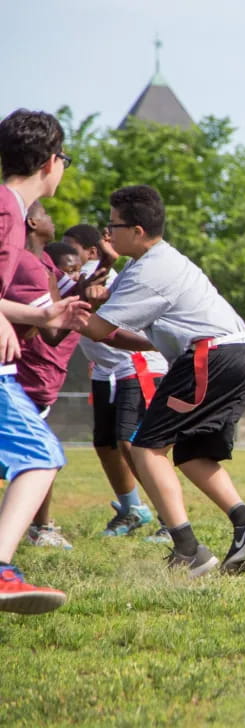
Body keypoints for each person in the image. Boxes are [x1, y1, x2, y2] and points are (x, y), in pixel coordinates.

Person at [83, 185, 245, 578]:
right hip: (238, 355)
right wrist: (99, 293)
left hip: (209, 357)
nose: (107, 232)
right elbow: (128, 336)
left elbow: (98, 328)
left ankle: (188, 549)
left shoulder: (148, 271)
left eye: (113, 225)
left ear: (137, 230)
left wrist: (54, 312)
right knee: (192, 453)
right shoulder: (152, 262)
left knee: (145, 447)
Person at [0, 108, 90, 614]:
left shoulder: (11, 211)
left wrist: (42, 314)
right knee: (38, 452)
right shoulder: (6, 209)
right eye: (65, 160)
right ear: (51, 161)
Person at [63, 224, 168, 540]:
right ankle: (132, 509)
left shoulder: (100, 277)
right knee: (105, 444)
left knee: (129, 442)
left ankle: (169, 519)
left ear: (92, 252)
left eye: (72, 247)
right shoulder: (79, 277)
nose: (66, 253)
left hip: (134, 365)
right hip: (105, 370)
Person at [6, 206, 84, 550]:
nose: (54, 221)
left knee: (38, 454)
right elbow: (51, 332)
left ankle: (38, 529)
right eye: (48, 215)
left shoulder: (44, 265)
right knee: (41, 453)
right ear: (33, 222)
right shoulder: (26, 264)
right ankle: (38, 530)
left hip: (35, 378)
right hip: (21, 375)